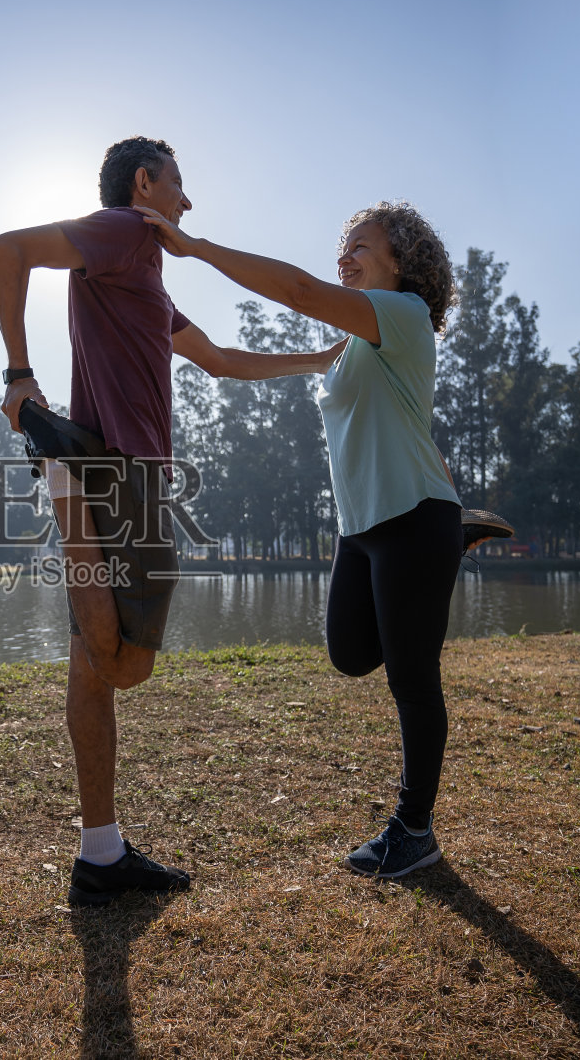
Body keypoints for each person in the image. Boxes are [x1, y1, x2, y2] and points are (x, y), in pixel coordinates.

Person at [0, 137, 338, 905]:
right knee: (129, 663)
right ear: (146, 183)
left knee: (92, 664)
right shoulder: (123, 230)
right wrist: (18, 369)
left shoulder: (145, 273)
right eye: (179, 184)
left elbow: (215, 359)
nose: (187, 201)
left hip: (114, 465)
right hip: (126, 471)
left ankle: (99, 854)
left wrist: (314, 361)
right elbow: (3, 249)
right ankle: (60, 472)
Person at [137, 198, 467, 878]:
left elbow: (296, 291)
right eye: (343, 247)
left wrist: (195, 247)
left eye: (362, 247)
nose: (345, 258)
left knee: (411, 675)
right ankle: (447, 551)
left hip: (410, 517)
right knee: (350, 654)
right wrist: (163, 326)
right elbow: (243, 362)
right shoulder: (352, 343)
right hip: (363, 527)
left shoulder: (402, 316)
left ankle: (414, 829)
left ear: (402, 262)